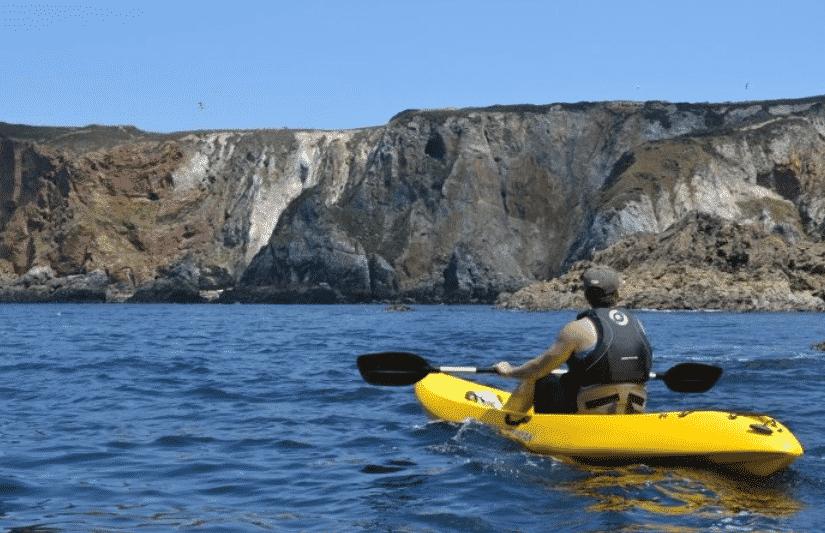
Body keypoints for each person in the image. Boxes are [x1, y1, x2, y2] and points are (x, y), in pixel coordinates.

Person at [494, 266, 653, 415]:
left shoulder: (577, 329)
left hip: (590, 411)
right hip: (634, 407)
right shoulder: (638, 325)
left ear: (586, 295)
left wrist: (509, 372)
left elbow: (538, 368)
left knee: (536, 379)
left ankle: (506, 421)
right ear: (617, 294)